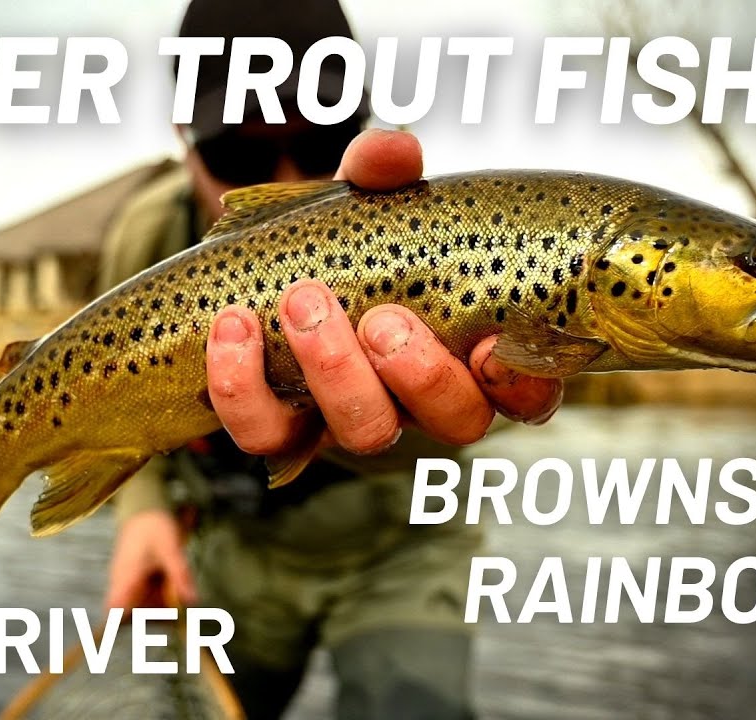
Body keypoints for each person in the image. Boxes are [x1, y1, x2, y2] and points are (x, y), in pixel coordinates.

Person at [99, 1, 562, 718]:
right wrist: (143, 514)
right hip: (235, 548)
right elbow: (106, 402)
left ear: (362, 124)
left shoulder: (448, 231)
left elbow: (502, 407)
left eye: (320, 142)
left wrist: (409, 419)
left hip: (403, 544)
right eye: (240, 157)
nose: (290, 181)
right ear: (182, 137)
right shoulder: (145, 237)